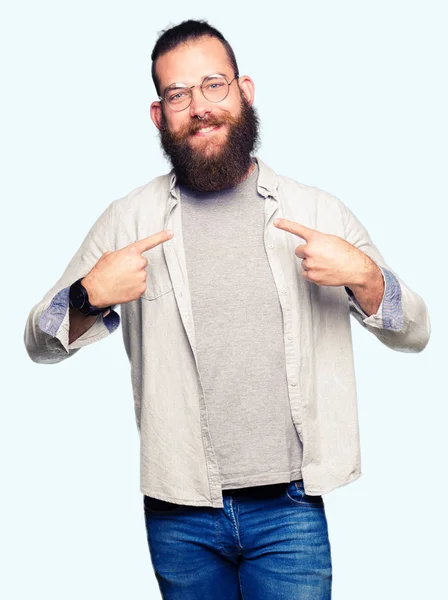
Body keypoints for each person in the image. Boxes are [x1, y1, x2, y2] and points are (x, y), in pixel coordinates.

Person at [24, 18, 431, 600]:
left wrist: (365, 277)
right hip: (178, 512)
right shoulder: (128, 221)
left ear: (245, 91)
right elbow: (38, 341)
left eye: (214, 85)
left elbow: (414, 332)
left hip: (290, 510)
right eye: (178, 94)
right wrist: (90, 295)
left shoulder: (316, 210)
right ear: (158, 115)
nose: (200, 107)